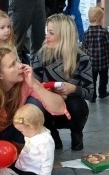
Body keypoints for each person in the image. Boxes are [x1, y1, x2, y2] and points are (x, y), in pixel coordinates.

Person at [0, 48, 67, 156]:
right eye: (12, 65)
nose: (20, 66)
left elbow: (59, 108)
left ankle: (26, 152)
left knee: (34, 104)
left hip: (16, 132)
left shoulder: (24, 81)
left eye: (17, 61)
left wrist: (35, 85)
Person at [32, 14, 94, 151]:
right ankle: (53, 135)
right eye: (47, 31)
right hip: (48, 103)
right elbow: (34, 85)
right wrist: (46, 91)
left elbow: (90, 93)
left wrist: (73, 89)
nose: (46, 36)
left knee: (78, 106)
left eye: (51, 33)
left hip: (72, 104)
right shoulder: (41, 55)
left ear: (64, 35)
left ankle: (76, 133)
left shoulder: (81, 57)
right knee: (35, 106)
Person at [10, 104, 55, 175]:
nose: (21, 133)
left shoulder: (45, 141)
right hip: (24, 164)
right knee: (8, 168)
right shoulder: (31, 132)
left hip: (35, 169)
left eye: (22, 131)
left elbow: (48, 160)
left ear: (32, 127)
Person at [81, 6, 109, 102]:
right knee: (104, 77)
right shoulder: (104, 32)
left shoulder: (86, 33)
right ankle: (102, 92)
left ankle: (92, 96)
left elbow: (84, 49)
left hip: (90, 63)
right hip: (103, 62)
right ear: (100, 19)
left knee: (92, 79)